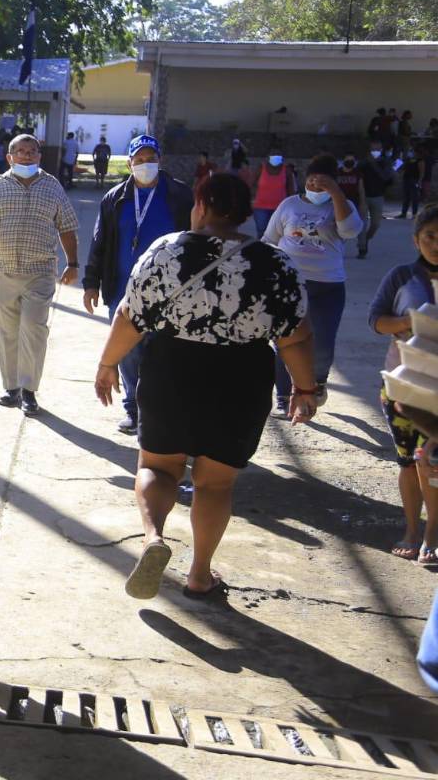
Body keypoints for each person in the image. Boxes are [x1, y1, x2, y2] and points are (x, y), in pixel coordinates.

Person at [94, 173, 317, 602]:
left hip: (171, 371)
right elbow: (296, 336)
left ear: (200, 206)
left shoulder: (165, 251)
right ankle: (199, 574)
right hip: (241, 377)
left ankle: (154, 538)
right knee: (215, 484)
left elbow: (129, 317)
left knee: (157, 468)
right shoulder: (275, 262)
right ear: (247, 212)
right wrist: (305, 389)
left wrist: (108, 365)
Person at [83, 134, 192, 435]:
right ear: (130, 164)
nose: (146, 165)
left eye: (151, 159)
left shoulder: (180, 195)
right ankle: (133, 409)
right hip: (123, 289)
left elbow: (197, 237)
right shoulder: (115, 198)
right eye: (139, 160)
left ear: (160, 160)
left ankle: (160, 410)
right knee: (128, 351)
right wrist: (91, 282)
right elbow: (99, 242)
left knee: (165, 351)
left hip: (171, 291)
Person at [0, 134, 81, 417]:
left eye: (32, 151)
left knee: (33, 329)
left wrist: (73, 263)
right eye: (20, 151)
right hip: (4, 271)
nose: (27, 156)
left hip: (40, 272)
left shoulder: (53, 187)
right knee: (6, 331)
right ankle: (12, 388)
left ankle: (29, 390)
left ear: (40, 156)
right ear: (10, 157)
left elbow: (66, 226)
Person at [263, 154, 363, 416]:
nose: (316, 189)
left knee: (322, 344)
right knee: (284, 341)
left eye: (323, 184)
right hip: (290, 285)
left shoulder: (341, 205)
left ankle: (317, 382)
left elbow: (351, 230)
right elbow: (269, 240)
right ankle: (284, 395)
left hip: (328, 286)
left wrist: (336, 193)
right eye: (312, 183)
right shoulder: (289, 205)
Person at [368, 204, 438, 564]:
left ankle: (432, 531)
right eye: (430, 236)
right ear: (416, 240)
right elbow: (375, 319)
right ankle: (412, 528)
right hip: (403, 387)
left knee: (433, 463)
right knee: (408, 462)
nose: (437, 244)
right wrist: (405, 325)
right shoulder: (401, 276)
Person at [250, 145, 297, 238]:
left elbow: (291, 189)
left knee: (278, 232)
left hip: (280, 208)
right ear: (268, 158)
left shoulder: (286, 170)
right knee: (261, 230)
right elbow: (251, 183)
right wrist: (251, 197)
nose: (275, 159)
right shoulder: (261, 168)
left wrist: (292, 205)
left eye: (278, 157)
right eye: (273, 157)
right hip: (260, 207)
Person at [359, 140, 392, 257]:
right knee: (362, 224)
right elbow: (358, 177)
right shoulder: (363, 163)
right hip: (364, 196)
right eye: (373, 150)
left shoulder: (385, 162)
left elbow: (385, 177)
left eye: (377, 150)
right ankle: (362, 248)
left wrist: (374, 164)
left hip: (378, 196)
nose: (375, 152)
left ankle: (366, 239)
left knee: (376, 224)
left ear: (381, 149)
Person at [335, 150, 367, 252]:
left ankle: (362, 247)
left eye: (352, 160)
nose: (350, 162)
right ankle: (338, 247)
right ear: (343, 160)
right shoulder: (337, 173)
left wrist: (363, 204)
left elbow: (361, 189)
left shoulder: (357, 174)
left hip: (354, 203)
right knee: (338, 227)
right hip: (339, 203)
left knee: (360, 225)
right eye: (348, 160)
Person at [397, 148, 423, 219]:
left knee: (415, 197)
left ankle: (414, 214)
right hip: (406, 179)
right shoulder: (408, 160)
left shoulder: (420, 161)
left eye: (412, 151)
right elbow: (402, 167)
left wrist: (420, 181)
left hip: (414, 180)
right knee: (406, 197)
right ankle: (403, 213)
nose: (411, 153)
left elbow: (422, 172)